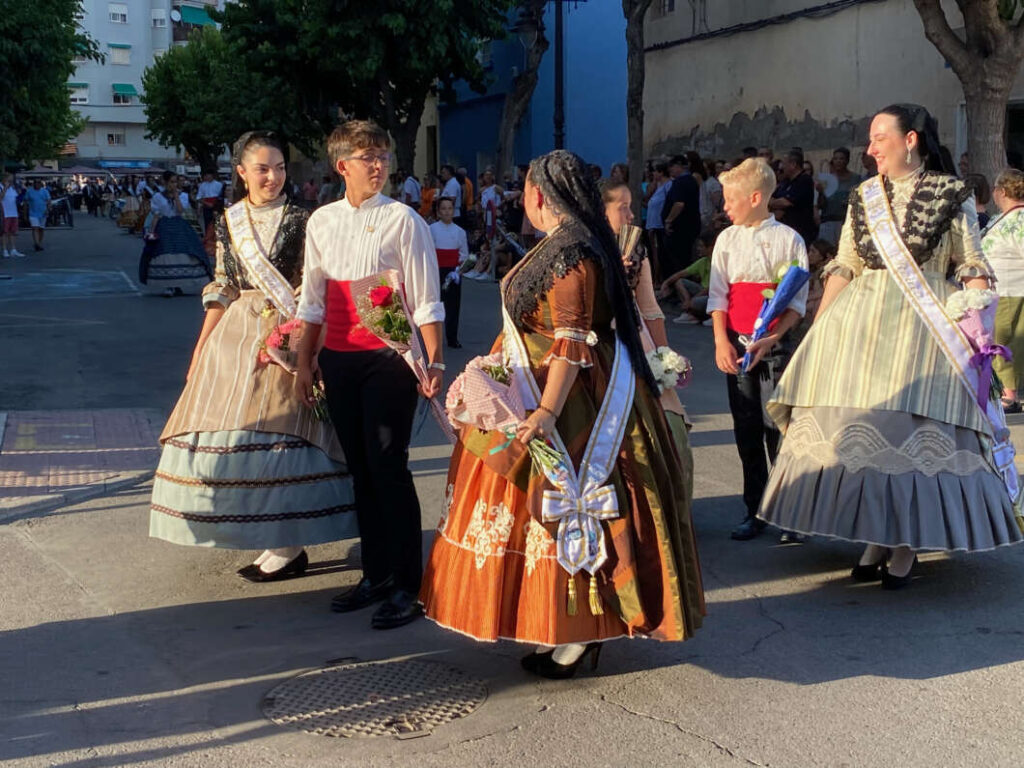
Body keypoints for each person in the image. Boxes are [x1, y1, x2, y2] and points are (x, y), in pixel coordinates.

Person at [420, 150, 705, 679]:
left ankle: (580, 629)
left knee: (566, 508)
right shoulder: (565, 242)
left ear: (537, 195)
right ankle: (559, 627)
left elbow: (571, 342)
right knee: (539, 514)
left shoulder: (572, 251)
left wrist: (548, 411)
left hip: (572, 400)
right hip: (538, 385)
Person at [759, 103, 1024, 587]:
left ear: (911, 140)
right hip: (860, 324)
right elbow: (845, 264)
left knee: (909, 427)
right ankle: (878, 535)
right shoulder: (864, 195)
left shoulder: (951, 193)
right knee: (853, 423)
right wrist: (819, 327)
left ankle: (904, 543)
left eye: (880, 137)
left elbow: (971, 261)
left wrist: (977, 310)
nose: (871, 148)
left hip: (925, 327)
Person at [150, 131, 357, 580]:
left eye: (279, 168)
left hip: (288, 330)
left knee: (284, 433)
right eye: (262, 169)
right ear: (242, 172)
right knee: (231, 431)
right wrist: (202, 346)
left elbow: (316, 280)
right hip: (238, 332)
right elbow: (223, 284)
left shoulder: (304, 218)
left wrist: (304, 335)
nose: (273, 177)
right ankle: (271, 538)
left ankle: (289, 543)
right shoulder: (229, 220)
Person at [294, 119, 444, 630]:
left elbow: (425, 299)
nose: (378, 165)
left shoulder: (404, 220)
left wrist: (435, 361)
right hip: (338, 359)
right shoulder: (322, 221)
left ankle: (409, 584)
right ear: (343, 165)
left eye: (383, 156)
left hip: (387, 358)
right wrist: (304, 362)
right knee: (360, 469)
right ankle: (376, 574)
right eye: (367, 157)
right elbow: (312, 300)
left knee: (389, 468)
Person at [604, 177, 699, 580]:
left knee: (668, 423)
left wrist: (663, 354)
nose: (630, 214)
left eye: (631, 206)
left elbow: (650, 309)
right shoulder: (586, 249)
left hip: (637, 341)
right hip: (603, 344)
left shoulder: (636, 250)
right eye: (622, 207)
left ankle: (668, 515)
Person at [709, 158, 808, 541]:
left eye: (730, 199)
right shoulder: (727, 240)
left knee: (779, 426)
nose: (725, 207)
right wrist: (721, 340)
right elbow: (718, 295)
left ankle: (789, 509)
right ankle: (756, 507)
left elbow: (795, 304)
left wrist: (773, 336)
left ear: (755, 198)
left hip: (774, 345)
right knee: (746, 424)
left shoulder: (788, 239)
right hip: (737, 343)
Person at [983, 168, 1024, 413]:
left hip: (1011, 289)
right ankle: (1005, 392)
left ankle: (1009, 394)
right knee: (1001, 341)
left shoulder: (1019, 221)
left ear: (1003, 191)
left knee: (1004, 343)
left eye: (996, 189)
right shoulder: (1002, 218)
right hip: (1000, 290)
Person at [138, 170, 211, 296]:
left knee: (185, 250)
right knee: (165, 251)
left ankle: (178, 284)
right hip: (164, 226)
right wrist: (151, 232)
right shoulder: (157, 197)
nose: (174, 184)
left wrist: (176, 196)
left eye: (176, 182)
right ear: (165, 182)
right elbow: (156, 215)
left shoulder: (183, 196)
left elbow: (180, 210)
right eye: (171, 182)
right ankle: (169, 285)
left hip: (179, 225)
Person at [430, 196, 468, 348]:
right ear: (438, 212)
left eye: (450, 208)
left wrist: (458, 270)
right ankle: (434, 338)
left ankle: (452, 338)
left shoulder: (460, 232)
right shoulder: (431, 229)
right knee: (435, 305)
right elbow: (429, 252)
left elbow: (464, 254)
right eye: (443, 209)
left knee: (453, 305)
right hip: (436, 270)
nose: (447, 212)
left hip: (454, 272)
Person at [662, 231, 715, 325]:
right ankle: (691, 314)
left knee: (695, 302)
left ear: (710, 248)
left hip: (713, 295)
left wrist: (692, 300)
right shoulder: (703, 261)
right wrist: (665, 283)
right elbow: (681, 274)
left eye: (701, 246)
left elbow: (711, 288)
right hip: (702, 291)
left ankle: (714, 316)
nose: (698, 249)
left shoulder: (718, 262)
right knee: (679, 282)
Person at [769, 148, 818, 245]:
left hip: (800, 231)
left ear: (793, 164)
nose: (782, 167)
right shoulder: (786, 182)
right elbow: (773, 197)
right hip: (784, 230)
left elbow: (786, 202)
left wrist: (772, 203)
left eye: (784, 164)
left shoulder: (804, 180)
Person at [662, 155, 701, 274]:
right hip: (689, 226)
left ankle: (679, 282)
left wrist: (668, 220)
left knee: (677, 261)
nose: (670, 170)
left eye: (672, 166)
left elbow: (679, 204)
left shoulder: (681, 182)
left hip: (680, 229)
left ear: (679, 166)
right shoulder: (691, 181)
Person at [817, 147, 862, 244]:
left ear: (847, 160)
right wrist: (821, 192)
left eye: (841, 158)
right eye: (835, 159)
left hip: (847, 221)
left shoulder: (856, 179)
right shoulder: (827, 180)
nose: (838, 161)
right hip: (828, 222)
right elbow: (821, 205)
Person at [644, 162, 670, 280]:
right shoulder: (657, 186)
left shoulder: (668, 185)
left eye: (655, 171)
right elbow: (647, 196)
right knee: (652, 252)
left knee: (659, 252)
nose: (653, 173)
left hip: (659, 224)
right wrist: (654, 182)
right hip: (651, 223)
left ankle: (659, 277)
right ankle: (655, 276)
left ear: (661, 172)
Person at [2, 174, 25, 259]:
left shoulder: (12, 188)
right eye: (9, 179)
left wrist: (21, 192)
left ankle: (13, 249)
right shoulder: (1, 187)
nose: (11, 181)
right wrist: (5, 188)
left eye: (12, 180)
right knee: (4, 232)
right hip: (5, 213)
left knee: (13, 232)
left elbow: (17, 199)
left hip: (13, 213)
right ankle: (5, 250)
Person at [24, 179, 51, 252]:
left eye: (39, 183)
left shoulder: (45, 191)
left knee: (41, 229)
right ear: (34, 184)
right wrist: (25, 214)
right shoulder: (29, 191)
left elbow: (49, 201)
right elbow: (25, 202)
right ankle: (36, 243)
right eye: (36, 183)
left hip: (43, 213)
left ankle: (39, 243)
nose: (37, 185)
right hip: (33, 213)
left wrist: (48, 210)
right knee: (35, 228)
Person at [197, 170, 225, 236]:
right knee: (207, 224)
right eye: (205, 175)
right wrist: (205, 203)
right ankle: (208, 237)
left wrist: (215, 204)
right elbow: (198, 197)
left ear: (212, 175)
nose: (207, 177)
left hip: (217, 206)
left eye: (208, 175)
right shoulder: (202, 185)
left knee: (218, 223)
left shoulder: (219, 185)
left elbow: (221, 196)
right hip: (206, 206)